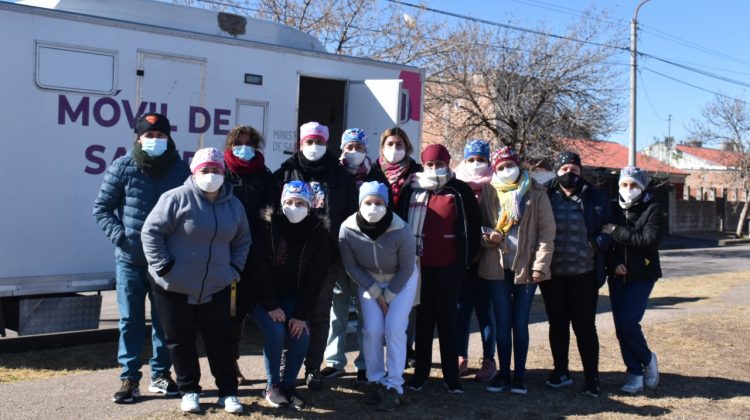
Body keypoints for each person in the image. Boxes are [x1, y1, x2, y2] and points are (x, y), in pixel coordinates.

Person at [141, 147, 251, 414]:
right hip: (173, 286)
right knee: (180, 339)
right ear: (194, 172)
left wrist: (234, 269)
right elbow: (151, 232)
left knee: (220, 340)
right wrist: (165, 267)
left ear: (224, 173)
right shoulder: (176, 198)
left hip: (217, 286)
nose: (211, 175)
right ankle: (189, 390)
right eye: (205, 170)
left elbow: (242, 240)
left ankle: (228, 393)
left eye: (216, 170)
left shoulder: (234, 205)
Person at [93, 112, 190, 404]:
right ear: (138, 138)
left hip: (166, 262)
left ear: (169, 138)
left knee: (165, 322)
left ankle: (161, 375)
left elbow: (190, 212)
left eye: (161, 136)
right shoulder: (123, 167)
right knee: (130, 320)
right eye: (149, 136)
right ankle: (129, 379)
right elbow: (102, 208)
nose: (155, 141)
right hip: (130, 260)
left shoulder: (182, 170)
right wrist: (123, 239)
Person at [273, 122, 359, 390]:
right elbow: (271, 213)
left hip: (325, 257)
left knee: (319, 314)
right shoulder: (284, 173)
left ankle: (312, 369)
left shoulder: (340, 176)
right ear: (301, 143)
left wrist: (339, 251)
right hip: (286, 259)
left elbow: (350, 216)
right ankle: (284, 371)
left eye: (319, 142)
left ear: (327, 143)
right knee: (287, 314)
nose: (314, 147)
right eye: (309, 141)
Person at [397, 144, 482, 394]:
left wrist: (465, 260)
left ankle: (451, 376)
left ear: (448, 163)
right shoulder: (411, 190)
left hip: (450, 268)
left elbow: (473, 227)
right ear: (424, 165)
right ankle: (421, 374)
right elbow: (400, 223)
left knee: (447, 321)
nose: (435, 169)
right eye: (430, 164)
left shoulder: (459, 191)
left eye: (440, 164)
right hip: (418, 267)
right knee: (423, 321)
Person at [478, 146, 555, 395]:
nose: (506, 171)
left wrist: (540, 266)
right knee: (502, 322)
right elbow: (479, 227)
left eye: (509, 165)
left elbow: (546, 233)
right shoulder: (489, 191)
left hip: (526, 268)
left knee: (520, 323)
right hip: (496, 267)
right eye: (500, 167)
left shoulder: (536, 192)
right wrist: (488, 238)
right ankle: (503, 374)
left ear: (518, 165)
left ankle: (520, 375)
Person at [249, 181, 330, 410]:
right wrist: (271, 305)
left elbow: (316, 277)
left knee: (301, 333)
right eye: (290, 202)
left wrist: (301, 314)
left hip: (293, 298)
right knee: (275, 331)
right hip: (263, 297)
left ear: (310, 205)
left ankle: (289, 386)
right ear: (282, 203)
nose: (294, 207)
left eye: (300, 203)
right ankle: (272, 385)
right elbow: (258, 269)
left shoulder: (318, 231)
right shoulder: (267, 226)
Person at [339, 181, 417, 411]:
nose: (373, 207)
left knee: (394, 328)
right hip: (369, 281)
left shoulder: (401, 228)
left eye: (379, 203)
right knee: (372, 330)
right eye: (368, 202)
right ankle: (375, 380)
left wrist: (389, 295)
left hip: (401, 281)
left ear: (387, 205)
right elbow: (351, 266)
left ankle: (394, 384)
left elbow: (407, 268)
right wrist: (375, 292)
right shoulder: (347, 229)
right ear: (360, 204)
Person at [322, 128, 391, 382]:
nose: (354, 152)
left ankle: (365, 362)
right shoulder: (334, 174)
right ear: (342, 149)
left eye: (358, 148)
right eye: (349, 147)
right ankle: (334, 360)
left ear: (366, 150)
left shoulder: (376, 177)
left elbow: (386, 213)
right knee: (336, 309)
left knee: (366, 309)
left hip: (366, 255)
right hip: (338, 252)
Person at [541, 151, 612, 398]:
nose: (570, 174)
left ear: (581, 172)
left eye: (575, 170)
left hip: (584, 273)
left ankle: (592, 377)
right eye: (564, 169)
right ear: (557, 171)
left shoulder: (595, 197)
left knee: (584, 326)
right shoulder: (545, 195)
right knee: (557, 324)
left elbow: (609, 228)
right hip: (553, 274)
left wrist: (596, 244)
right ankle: (560, 371)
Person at [222, 125, 280, 384]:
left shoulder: (265, 176)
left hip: (254, 252)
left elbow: (269, 213)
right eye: (239, 143)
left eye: (249, 143)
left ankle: (234, 361)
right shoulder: (223, 171)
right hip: (225, 251)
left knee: (242, 310)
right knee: (228, 313)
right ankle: (228, 364)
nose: (244, 147)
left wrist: (260, 242)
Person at [602, 166, 663, 394]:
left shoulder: (652, 209)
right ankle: (634, 374)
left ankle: (647, 359)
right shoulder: (611, 207)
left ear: (642, 187)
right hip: (618, 277)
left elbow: (649, 241)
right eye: (625, 185)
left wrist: (617, 231)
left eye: (634, 185)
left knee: (629, 323)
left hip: (643, 275)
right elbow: (606, 244)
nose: (629, 189)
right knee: (621, 328)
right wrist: (614, 263)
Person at [376, 127, 423, 366]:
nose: (395, 149)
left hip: (406, 244)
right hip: (377, 244)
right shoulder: (374, 172)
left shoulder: (417, 174)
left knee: (407, 300)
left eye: (400, 145)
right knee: (379, 298)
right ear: (382, 147)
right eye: (390, 144)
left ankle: (406, 348)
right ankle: (380, 350)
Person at [453, 139, 497, 381]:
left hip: (488, 259)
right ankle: (460, 355)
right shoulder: (456, 183)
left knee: (485, 311)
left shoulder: (496, 185)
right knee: (462, 309)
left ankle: (489, 359)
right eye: (471, 159)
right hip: (462, 259)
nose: (476, 164)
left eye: (481, 159)